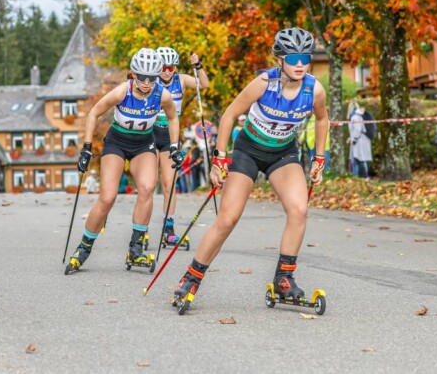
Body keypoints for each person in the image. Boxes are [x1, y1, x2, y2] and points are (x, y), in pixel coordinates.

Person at [172, 27, 328, 309]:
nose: (300, 64)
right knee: (228, 218)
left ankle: (284, 278)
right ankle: (191, 277)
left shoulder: (314, 89)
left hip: (283, 153)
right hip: (248, 151)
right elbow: (230, 114)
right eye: (293, 59)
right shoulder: (264, 83)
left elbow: (322, 119)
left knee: (299, 209)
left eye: (305, 58)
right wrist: (219, 160)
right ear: (280, 60)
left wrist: (319, 158)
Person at [66, 48, 183, 273]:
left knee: (147, 188)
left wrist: (174, 146)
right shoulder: (122, 91)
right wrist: (86, 149)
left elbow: (172, 117)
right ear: (133, 74)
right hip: (117, 142)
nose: (147, 83)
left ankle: (136, 248)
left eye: (152, 78)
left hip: (143, 144)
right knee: (108, 197)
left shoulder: (162, 95)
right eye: (142, 77)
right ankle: (84, 247)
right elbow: (94, 113)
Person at [153, 47, 209, 243]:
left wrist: (198, 65)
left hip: (170, 136)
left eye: (171, 67)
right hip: (151, 133)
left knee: (169, 184)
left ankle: (168, 227)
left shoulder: (182, 80)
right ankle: (141, 229)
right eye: (163, 67)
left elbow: (204, 84)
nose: (167, 72)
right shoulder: (150, 81)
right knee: (149, 183)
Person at [347, 101, 372, 179]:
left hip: (359, 141)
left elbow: (357, 129)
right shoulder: (357, 116)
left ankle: (363, 177)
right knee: (358, 159)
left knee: (360, 159)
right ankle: (359, 177)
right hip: (360, 140)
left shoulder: (355, 117)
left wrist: (353, 139)